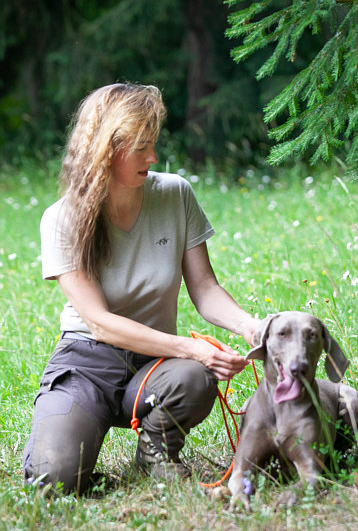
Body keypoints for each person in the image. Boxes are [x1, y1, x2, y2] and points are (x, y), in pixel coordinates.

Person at [23, 82, 260, 494]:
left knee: (195, 376)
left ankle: (156, 454)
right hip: (87, 363)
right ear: (104, 150)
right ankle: (64, 435)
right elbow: (99, 323)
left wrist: (253, 328)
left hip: (154, 364)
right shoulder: (62, 218)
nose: (152, 157)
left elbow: (204, 289)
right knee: (54, 481)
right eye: (140, 147)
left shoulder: (175, 194)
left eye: (154, 143)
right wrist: (190, 346)